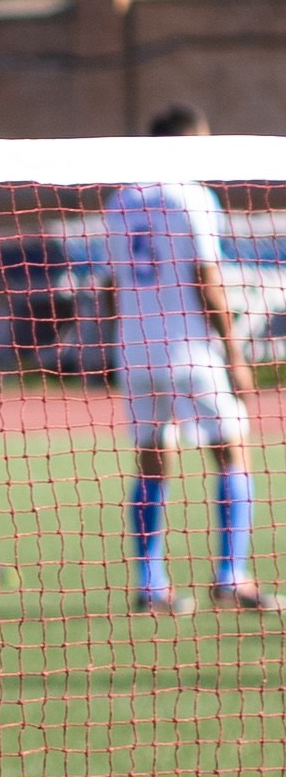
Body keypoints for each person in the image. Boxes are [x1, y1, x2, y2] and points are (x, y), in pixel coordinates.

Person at [103, 106, 281, 616]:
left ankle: (151, 585)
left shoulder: (121, 200)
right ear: (185, 145)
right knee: (232, 450)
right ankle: (230, 577)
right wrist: (235, 353)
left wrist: (115, 344)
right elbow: (207, 280)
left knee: (152, 462)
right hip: (189, 350)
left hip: (136, 351)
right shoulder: (193, 196)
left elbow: (111, 286)